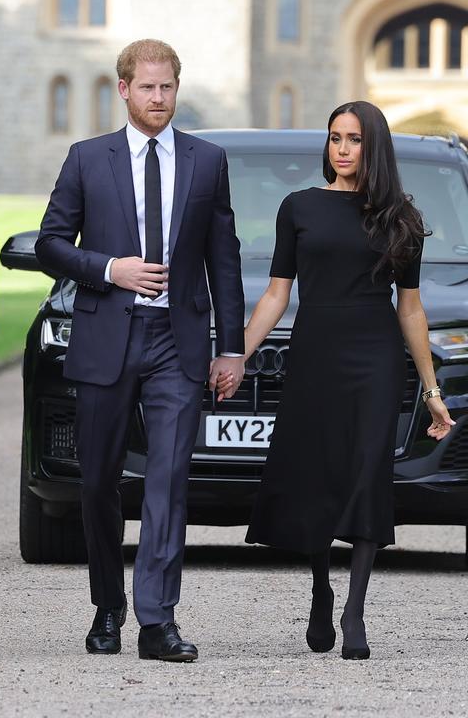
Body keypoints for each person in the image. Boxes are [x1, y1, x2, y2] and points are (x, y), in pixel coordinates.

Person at [35, 39, 245, 661]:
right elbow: (50, 243)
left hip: (175, 345)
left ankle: (157, 619)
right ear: (122, 89)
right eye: (147, 87)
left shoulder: (208, 161)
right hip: (105, 338)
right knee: (98, 480)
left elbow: (224, 261)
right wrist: (109, 269)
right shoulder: (86, 159)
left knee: (169, 479)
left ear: (177, 89)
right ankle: (108, 605)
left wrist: (229, 348)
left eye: (167, 88)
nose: (158, 98)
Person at [237, 100, 453, 660]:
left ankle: (355, 608)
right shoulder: (300, 207)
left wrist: (431, 392)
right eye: (335, 138)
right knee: (318, 473)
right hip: (315, 353)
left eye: (354, 139)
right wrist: (236, 355)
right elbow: (276, 293)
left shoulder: (401, 217)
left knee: (366, 473)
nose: (342, 148)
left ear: (373, 146)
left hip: (376, 357)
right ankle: (320, 589)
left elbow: (411, 309)